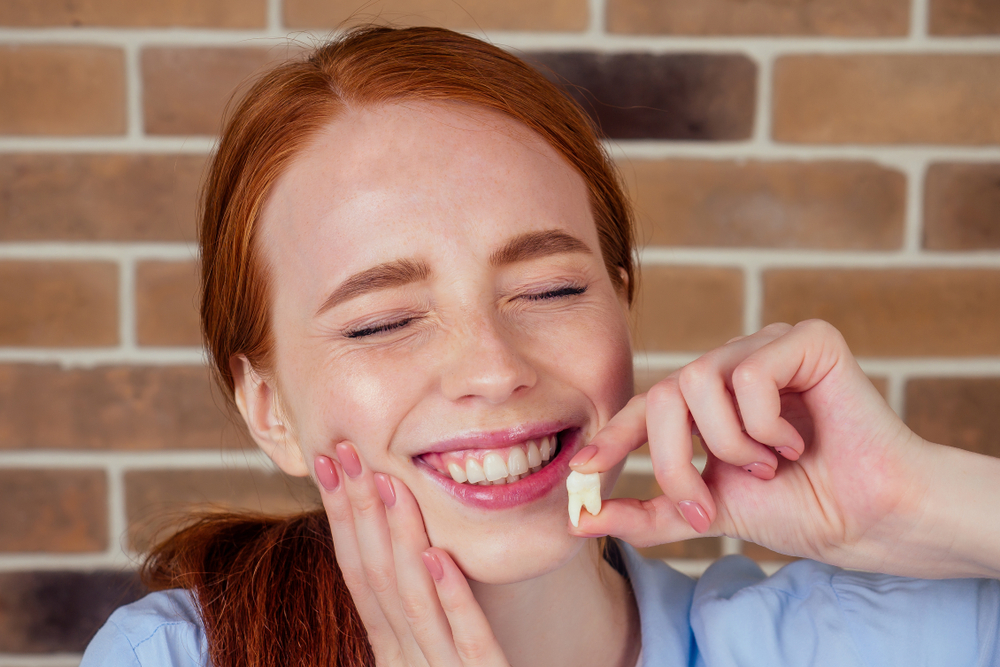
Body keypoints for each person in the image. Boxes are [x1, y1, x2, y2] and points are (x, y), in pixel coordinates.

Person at [81, 25, 1000, 667]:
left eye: (551, 290)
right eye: (383, 320)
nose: (493, 368)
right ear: (268, 410)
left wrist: (914, 497)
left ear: (621, 304)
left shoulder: (864, 640)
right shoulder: (169, 657)